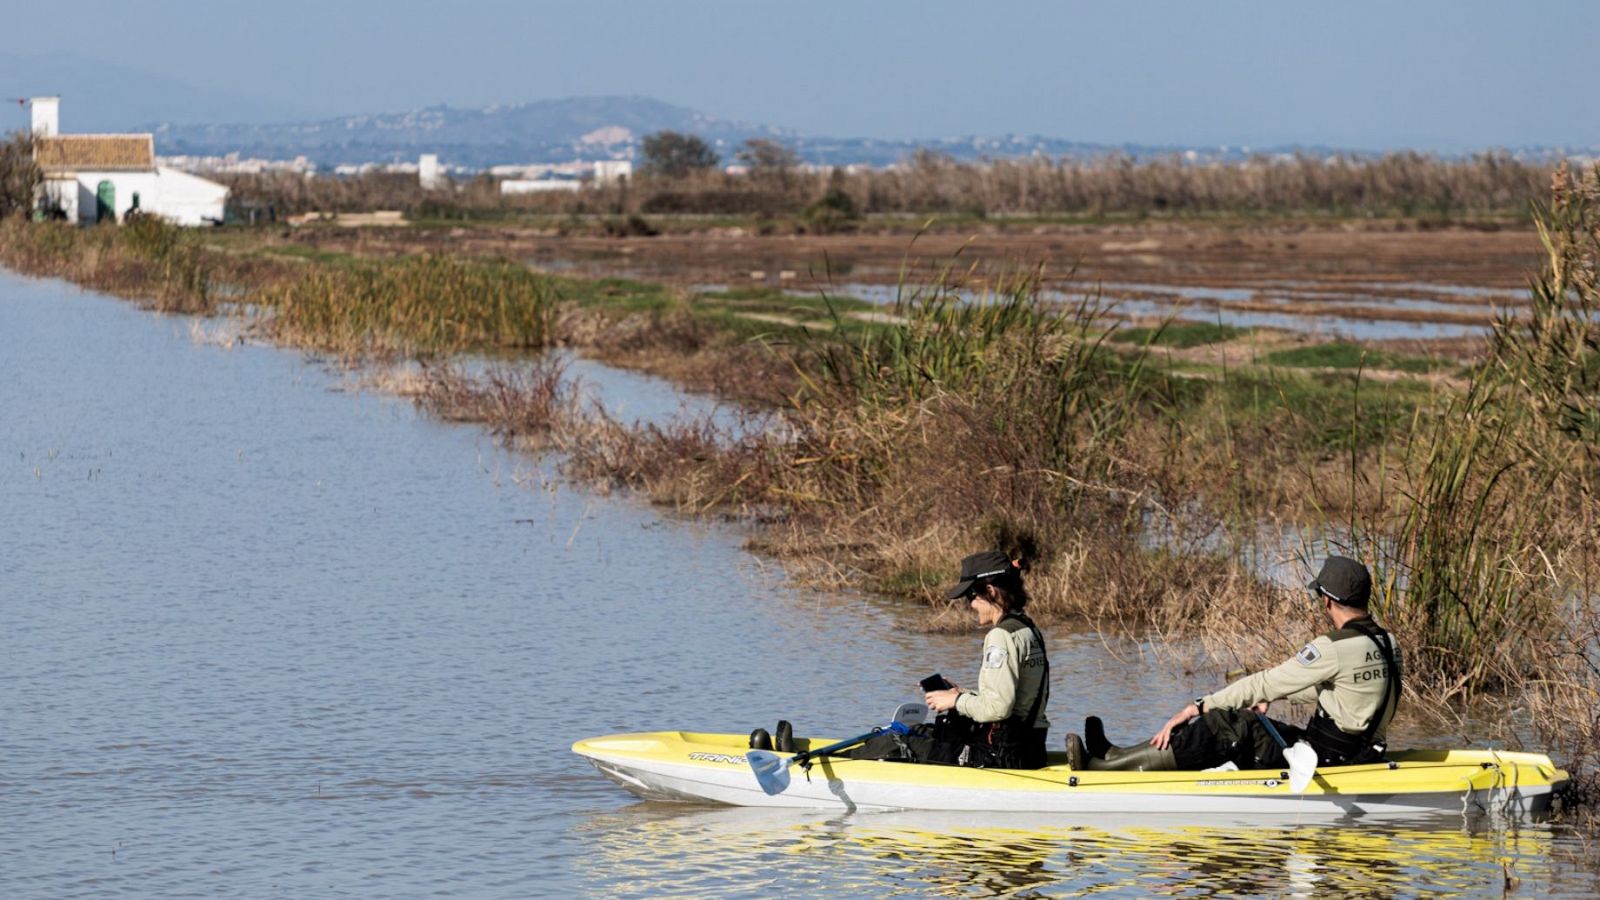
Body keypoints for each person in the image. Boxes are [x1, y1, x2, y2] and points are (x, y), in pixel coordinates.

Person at [1066, 556, 1401, 772]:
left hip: (1323, 760)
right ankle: (1115, 754)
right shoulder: (1388, 642)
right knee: (1244, 723)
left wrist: (1196, 707)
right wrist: (1283, 697)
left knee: (1226, 725)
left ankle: (1103, 770)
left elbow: (1263, 682)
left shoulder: (1332, 647)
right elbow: (1351, 695)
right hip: (1357, 754)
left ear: (1327, 600)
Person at [849, 550, 1052, 769]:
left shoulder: (1000, 636)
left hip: (1000, 756)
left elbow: (999, 708)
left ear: (991, 591)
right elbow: (1014, 702)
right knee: (922, 732)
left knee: (898, 742)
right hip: (1031, 749)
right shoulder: (1028, 629)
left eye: (970, 597)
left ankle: (840, 764)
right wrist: (960, 693)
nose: (970, 605)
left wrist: (954, 701)